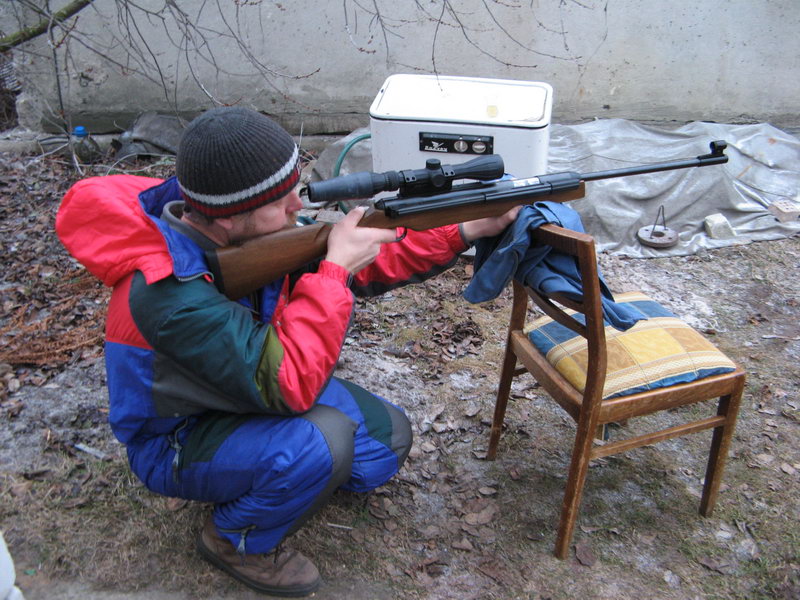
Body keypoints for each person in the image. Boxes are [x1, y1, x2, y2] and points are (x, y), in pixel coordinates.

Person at [56, 106, 518, 597]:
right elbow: (289, 382)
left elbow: (366, 251)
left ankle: (276, 479)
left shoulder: (253, 233)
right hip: (176, 437)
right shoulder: (167, 295)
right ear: (230, 216)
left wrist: (465, 228)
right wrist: (335, 272)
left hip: (241, 388)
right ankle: (234, 540)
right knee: (321, 445)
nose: (298, 205)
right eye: (281, 202)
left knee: (386, 443)